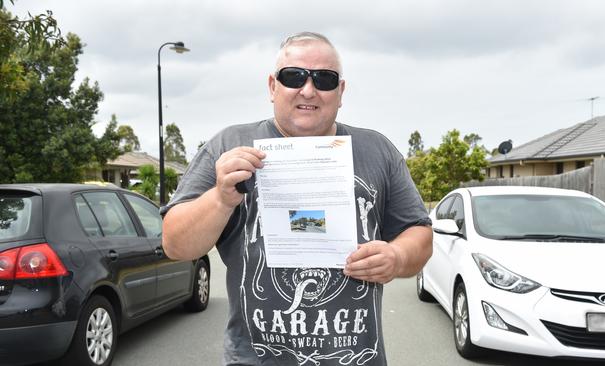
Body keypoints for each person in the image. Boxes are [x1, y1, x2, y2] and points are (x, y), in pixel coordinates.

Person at [162, 32, 433, 366]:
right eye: (294, 76)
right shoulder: (227, 145)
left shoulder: (377, 151)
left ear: (341, 91)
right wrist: (220, 199)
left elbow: (420, 234)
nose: (308, 89)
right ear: (272, 86)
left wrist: (397, 255)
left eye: (324, 79)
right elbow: (175, 244)